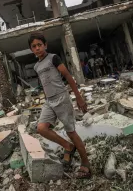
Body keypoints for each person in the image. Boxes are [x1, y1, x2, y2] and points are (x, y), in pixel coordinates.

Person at [28, 33, 92, 179]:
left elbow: (68, 76)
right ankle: (68, 146)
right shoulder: (37, 66)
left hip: (62, 98)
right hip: (49, 101)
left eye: (39, 45)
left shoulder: (53, 58)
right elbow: (45, 83)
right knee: (41, 128)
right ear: (31, 49)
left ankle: (86, 164)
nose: (37, 48)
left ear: (45, 45)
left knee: (71, 132)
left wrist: (79, 98)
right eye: (34, 46)